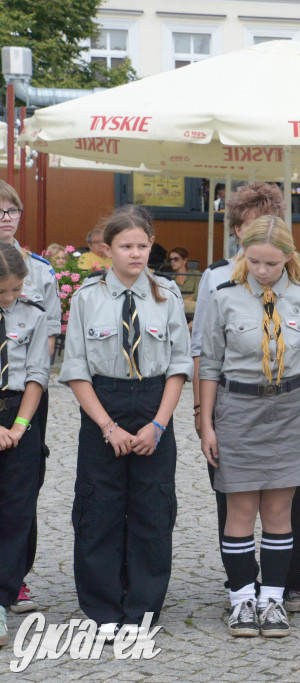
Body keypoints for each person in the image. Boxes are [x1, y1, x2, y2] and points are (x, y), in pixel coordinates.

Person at [59, 205, 190, 640]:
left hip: (154, 402)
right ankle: (103, 611)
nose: (135, 254)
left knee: (153, 509)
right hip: (104, 402)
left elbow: (178, 367)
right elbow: (76, 369)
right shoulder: (86, 298)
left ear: (152, 245)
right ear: (106, 250)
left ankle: (143, 609)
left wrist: (159, 424)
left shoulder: (167, 295)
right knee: (100, 508)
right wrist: (107, 427)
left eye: (142, 245)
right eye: (125, 246)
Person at [191, 183, 300, 615]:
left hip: (289, 410)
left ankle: (274, 600)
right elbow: (208, 366)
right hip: (238, 408)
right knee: (240, 508)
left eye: (272, 263)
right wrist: (206, 423)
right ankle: (242, 598)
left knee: (280, 512)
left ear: (289, 258)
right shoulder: (223, 298)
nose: (262, 270)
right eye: (253, 261)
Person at [0, 181, 59, 616]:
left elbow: (47, 341)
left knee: (22, 493)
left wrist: (20, 423)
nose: (6, 217)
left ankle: (13, 578)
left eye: (12, 210)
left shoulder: (41, 271)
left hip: (23, 398)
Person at [167, 248, 198, 315]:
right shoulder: (170, 279)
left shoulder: (196, 275)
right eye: (170, 260)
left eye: (176, 259)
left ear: (185, 260)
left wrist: (181, 303)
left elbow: (197, 294)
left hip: (193, 312)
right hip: (176, 312)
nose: (172, 262)